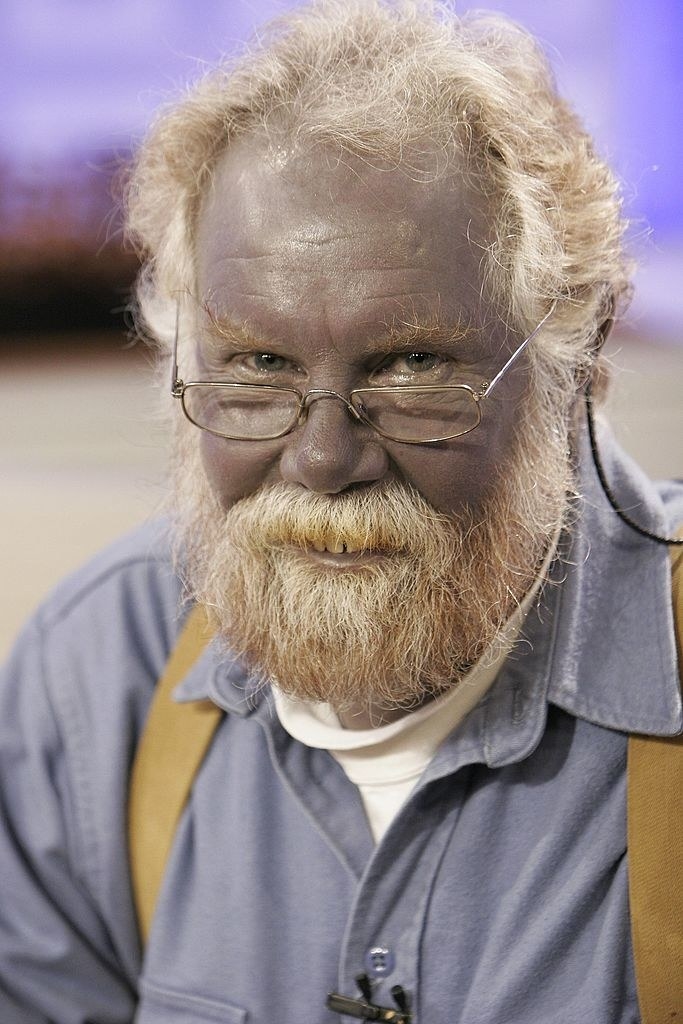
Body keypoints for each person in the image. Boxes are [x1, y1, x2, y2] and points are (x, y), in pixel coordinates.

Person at [1, 1, 681, 1021]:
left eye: (411, 364)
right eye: (259, 366)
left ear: (572, 361)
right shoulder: (96, 678)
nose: (321, 459)